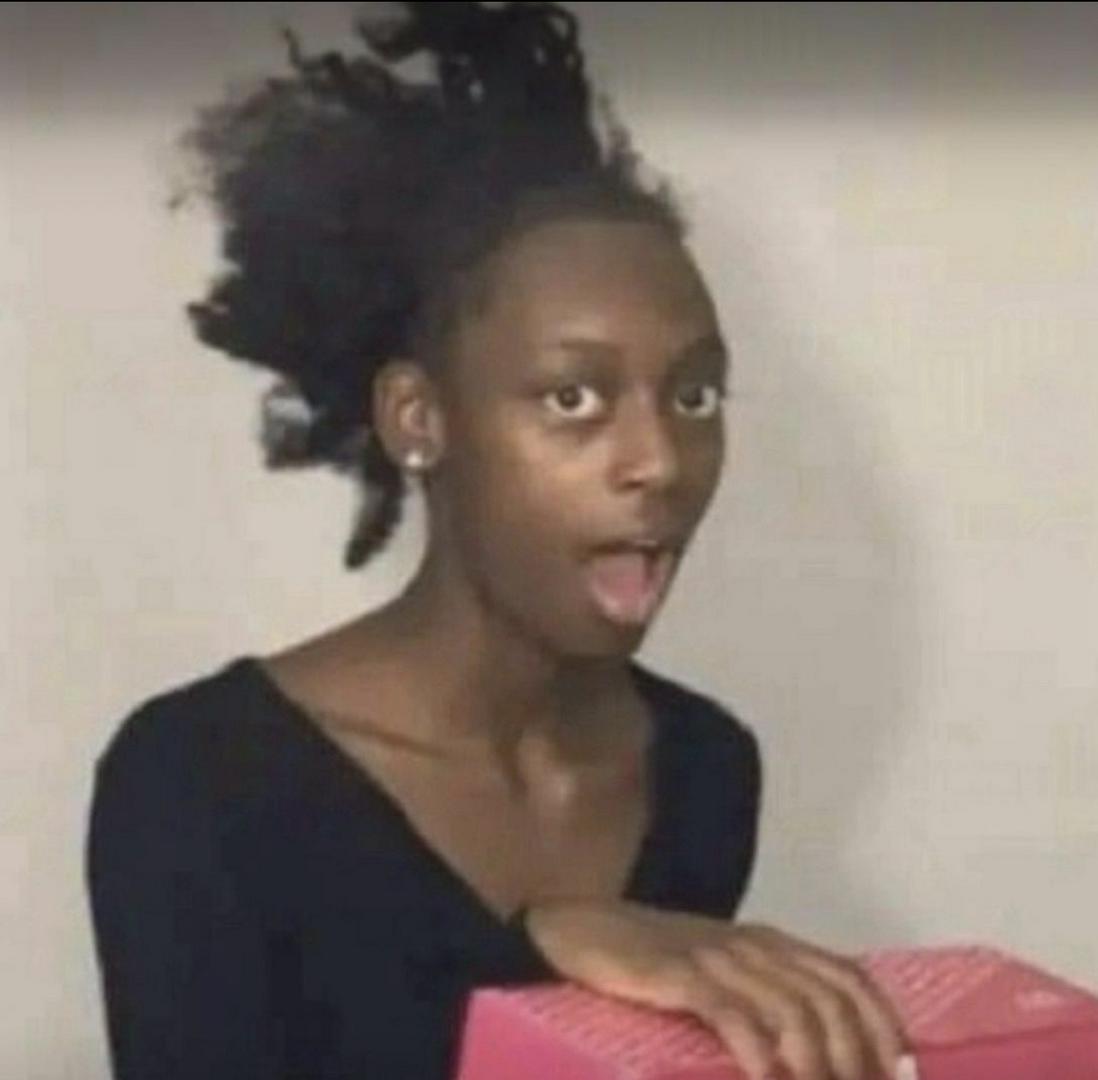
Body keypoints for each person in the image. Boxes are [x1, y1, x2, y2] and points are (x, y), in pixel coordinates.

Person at [85, 4, 908, 1079]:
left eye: (694, 395)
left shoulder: (703, 770)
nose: (660, 460)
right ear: (419, 418)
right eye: (574, 397)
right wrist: (544, 949)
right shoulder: (201, 783)